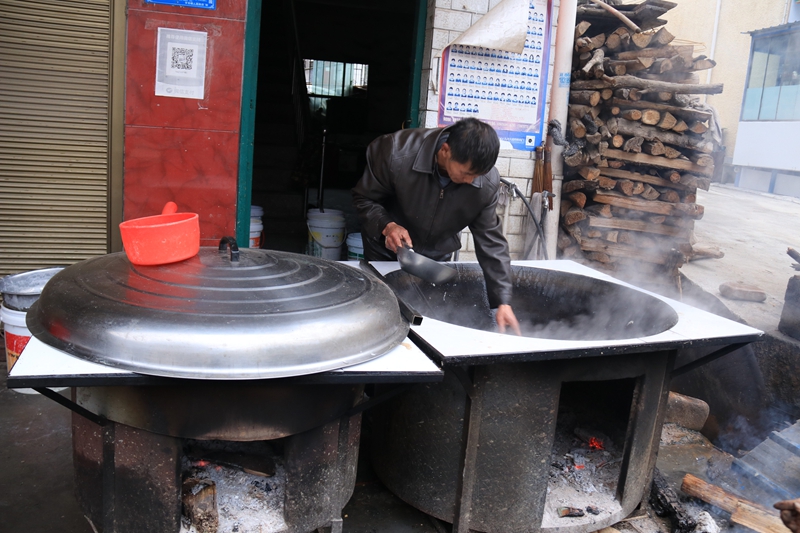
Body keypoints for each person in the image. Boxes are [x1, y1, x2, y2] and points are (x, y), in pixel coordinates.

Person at [351, 118, 521, 335]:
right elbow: (363, 198)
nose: (471, 182)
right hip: (386, 253)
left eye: (477, 175)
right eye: (466, 174)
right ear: (445, 150)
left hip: (433, 261)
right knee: (382, 318)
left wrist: (502, 301)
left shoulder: (485, 183)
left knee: (426, 325)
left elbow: (492, 244)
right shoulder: (396, 152)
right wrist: (388, 226)